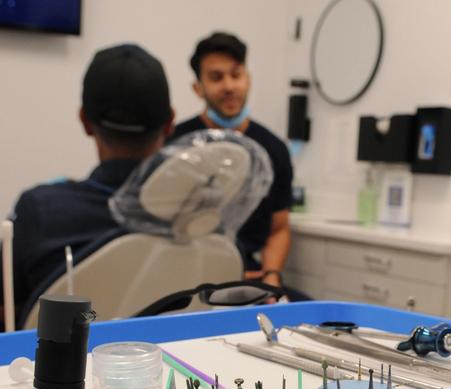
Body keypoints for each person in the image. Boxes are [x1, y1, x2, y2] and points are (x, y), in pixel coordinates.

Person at [0, 44, 174, 329]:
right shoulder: (203, 219)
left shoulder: (40, 211)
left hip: (61, 371)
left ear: (85, 121)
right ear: (169, 124)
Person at [169, 32, 293, 289]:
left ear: (247, 79)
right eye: (216, 77)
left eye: (236, 74)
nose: (229, 86)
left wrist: (271, 276)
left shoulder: (274, 148)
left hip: (251, 280)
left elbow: (279, 228)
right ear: (198, 87)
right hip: (186, 277)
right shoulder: (175, 144)